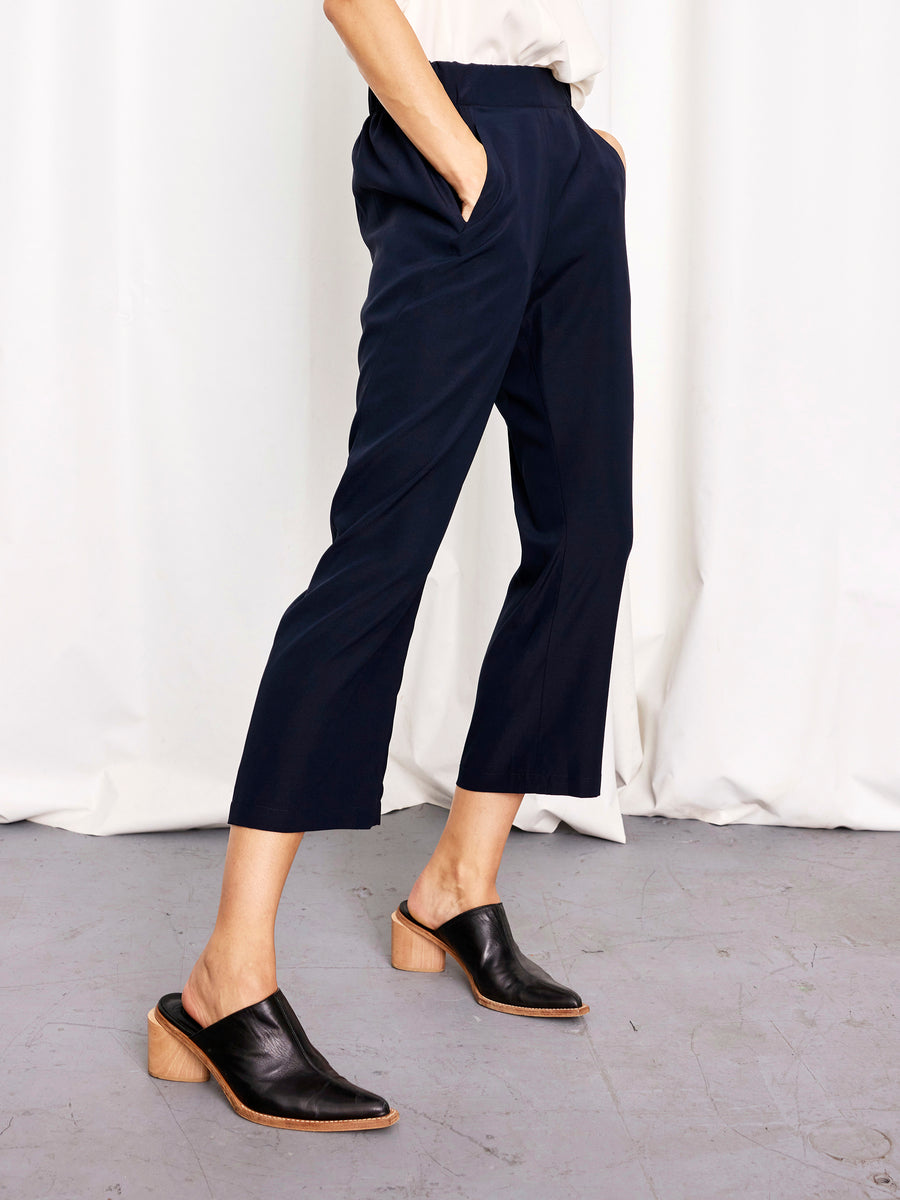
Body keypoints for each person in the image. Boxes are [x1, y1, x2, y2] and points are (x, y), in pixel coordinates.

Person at [146, 0, 632, 1133]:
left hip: (557, 143)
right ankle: (224, 980)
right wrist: (456, 146)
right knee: (382, 549)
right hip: (450, 127)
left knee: (588, 532)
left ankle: (457, 886)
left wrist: (576, 147)